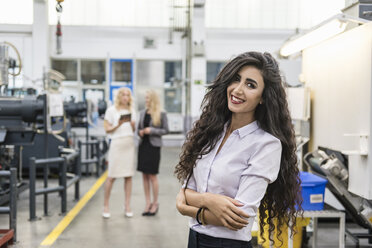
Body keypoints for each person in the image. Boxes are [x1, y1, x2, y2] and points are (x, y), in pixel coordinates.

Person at [175, 51, 302, 247]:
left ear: (263, 98)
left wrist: (190, 209)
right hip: (194, 239)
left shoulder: (266, 145)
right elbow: (186, 191)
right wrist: (208, 200)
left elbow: (240, 218)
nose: (238, 89)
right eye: (236, 79)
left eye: (250, 85)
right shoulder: (211, 131)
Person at [102, 87, 136, 218]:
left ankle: (127, 205)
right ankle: (106, 205)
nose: (125, 97)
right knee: (111, 176)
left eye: (128, 95)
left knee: (128, 176)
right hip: (117, 144)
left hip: (129, 143)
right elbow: (107, 130)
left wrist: (132, 124)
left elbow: (133, 130)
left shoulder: (132, 110)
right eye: (123, 95)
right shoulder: (111, 110)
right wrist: (119, 124)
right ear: (119, 96)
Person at [137, 89, 169, 216]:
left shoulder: (161, 113)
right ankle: (147, 203)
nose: (146, 100)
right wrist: (140, 132)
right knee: (144, 175)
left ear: (153, 99)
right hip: (143, 145)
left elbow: (166, 130)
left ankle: (155, 203)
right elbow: (139, 128)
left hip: (153, 147)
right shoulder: (142, 113)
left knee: (152, 175)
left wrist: (151, 130)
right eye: (145, 98)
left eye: (148, 98)